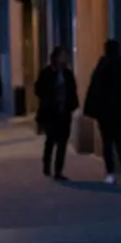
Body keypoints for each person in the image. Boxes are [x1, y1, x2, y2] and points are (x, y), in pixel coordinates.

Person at [83, 40, 121, 185]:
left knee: (107, 142)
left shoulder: (102, 67)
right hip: (120, 112)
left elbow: (94, 89)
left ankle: (111, 173)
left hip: (105, 113)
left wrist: (93, 109)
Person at [34, 47, 79, 181]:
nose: (65, 59)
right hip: (51, 113)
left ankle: (58, 170)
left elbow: (73, 90)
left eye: (65, 56)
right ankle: (46, 164)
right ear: (55, 58)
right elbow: (38, 90)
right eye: (62, 56)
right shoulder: (46, 73)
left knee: (62, 142)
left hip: (64, 112)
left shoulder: (68, 74)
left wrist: (71, 105)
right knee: (50, 140)